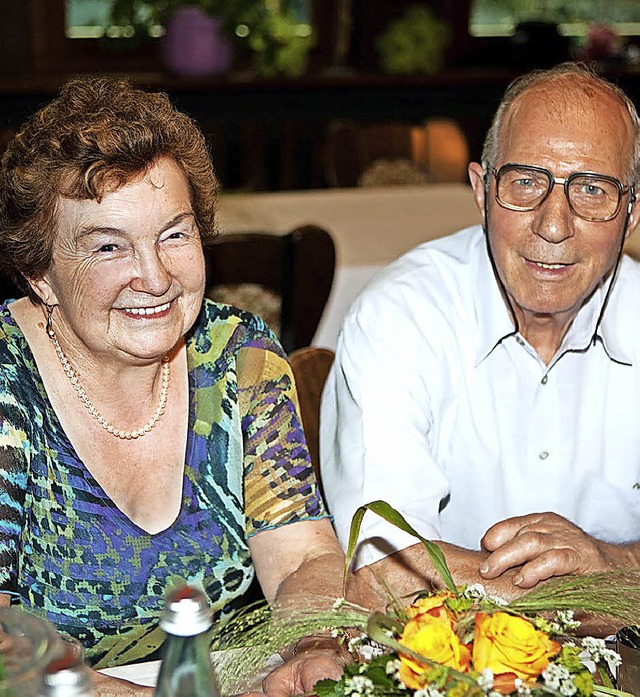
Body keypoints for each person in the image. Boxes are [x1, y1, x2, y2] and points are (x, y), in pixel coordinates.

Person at [0, 77, 357, 696]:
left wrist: (310, 648)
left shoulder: (239, 355)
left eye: (174, 234)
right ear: (41, 274)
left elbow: (301, 556)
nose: (155, 277)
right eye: (108, 246)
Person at [320, 62, 640, 612]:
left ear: (631, 212)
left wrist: (613, 564)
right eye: (525, 183)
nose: (554, 224)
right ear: (480, 190)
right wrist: (593, 592)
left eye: (591, 189)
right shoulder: (400, 317)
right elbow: (384, 570)